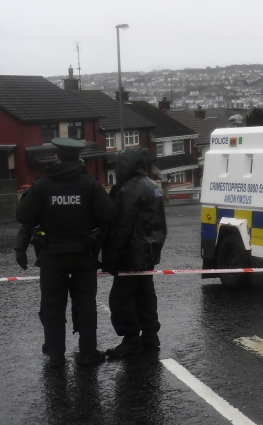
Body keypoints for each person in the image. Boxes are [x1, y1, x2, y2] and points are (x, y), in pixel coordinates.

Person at [15, 137, 115, 368]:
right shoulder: (89, 184)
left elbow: (23, 216)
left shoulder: (42, 185)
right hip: (84, 255)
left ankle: (57, 357)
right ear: (79, 158)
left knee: (52, 306)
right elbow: (109, 213)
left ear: (57, 157)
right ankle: (88, 353)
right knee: (86, 305)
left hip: (52, 257)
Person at [102, 147, 166, 359]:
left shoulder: (130, 189)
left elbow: (123, 227)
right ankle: (150, 336)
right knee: (146, 295)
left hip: (131, 254)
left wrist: (110, 257)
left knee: (121, 298)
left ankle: (131, 341)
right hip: (148, 252)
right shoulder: (153, 186)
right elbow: (159, 224)